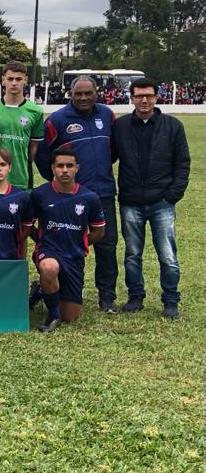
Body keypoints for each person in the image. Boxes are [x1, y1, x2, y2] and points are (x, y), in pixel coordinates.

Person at [35, 76, 118, 311]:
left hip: (103, 193)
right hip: (69, 197)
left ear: (96, 93)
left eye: (88, 93)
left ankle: (107, 296)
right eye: (78, 93)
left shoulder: (107, 115)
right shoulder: (57, 120)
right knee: (65, 243)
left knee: (106, 244)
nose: (83, 97)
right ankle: (59, 287)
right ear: (70, 94)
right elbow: (43, 155)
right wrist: (60, 182)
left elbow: (113, 150)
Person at [113, 78, 190, 318]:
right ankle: (135, 297)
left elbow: (182, 163)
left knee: (167, 255)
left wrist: (172, 195)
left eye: (149, 95)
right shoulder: (120, 126)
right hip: (131, 201)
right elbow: (108, 157)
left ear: (157, 97)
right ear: (131, 98)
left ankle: (170, 300)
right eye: (139, 96)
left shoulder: (173, 126)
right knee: (132, 254)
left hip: (162, 202)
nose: (144, 100)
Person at [29, 147, 106, 332]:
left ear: (77, 168)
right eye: (60, 166)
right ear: (53, 168)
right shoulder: (40, 194)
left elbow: (99, 231)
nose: (64, 170)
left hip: (73, 257)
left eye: (69, 166)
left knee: (70, 316)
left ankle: (40, 289)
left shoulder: (89, 197)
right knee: (49, 268)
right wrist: (42, 241)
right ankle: (52, 316)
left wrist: (80, 242)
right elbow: (28, 225)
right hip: (48, 251)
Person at [0, 61, 44, 190]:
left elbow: (33, 147)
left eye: (18, 79)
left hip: (20, 178)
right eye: (10, 79)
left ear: (25, 80)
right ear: (3, 80)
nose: (14, 83)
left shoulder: (36, 111)